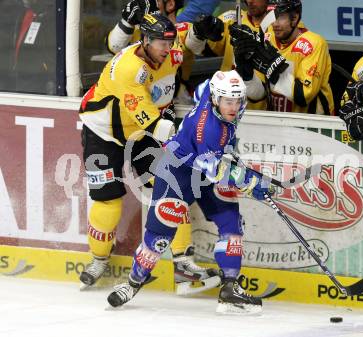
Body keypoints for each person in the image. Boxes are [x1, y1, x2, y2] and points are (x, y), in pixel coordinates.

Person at [106, 70, 274, 314]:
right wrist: (250, 181)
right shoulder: (208, 129)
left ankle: (229, 289)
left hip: (207, 165)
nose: (234, 107)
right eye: (228, 101)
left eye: (238, 101)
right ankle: (132, 283)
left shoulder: (213, 90)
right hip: (178, 171)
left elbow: (199, 89)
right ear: (216, 100)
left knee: (231, 224)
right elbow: (214, 168)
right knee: (159, 237)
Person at [78, 13, 219, 294]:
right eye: (159, 43)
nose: (166, 48)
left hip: (141, 133)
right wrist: (193, 133)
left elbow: (188, 42)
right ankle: (98, 259)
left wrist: (201, 31)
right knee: (107, 200)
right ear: (144, 40)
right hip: (104, 132)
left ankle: (182, 262)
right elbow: (154, 124)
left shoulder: (170, 49)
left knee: (172, 190)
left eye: (169, 42)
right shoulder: (130, 69)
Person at [229, 0, 334, 115]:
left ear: (294, 19)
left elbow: (304, 96)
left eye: (281, 17)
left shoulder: (315, 43)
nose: (275, 24)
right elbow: (260, 95)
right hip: (278, 122)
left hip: (314, 125)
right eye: (272, 16)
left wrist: (273, 69)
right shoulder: (268, 38)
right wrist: (247, 73)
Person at [184, 0, 274, 110]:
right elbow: (200, 50)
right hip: (225, 106)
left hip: (261, 111)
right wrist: (198, 32)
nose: (250, 1)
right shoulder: (232, 18)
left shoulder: (281, 27)